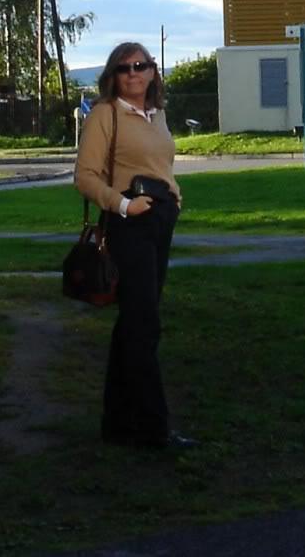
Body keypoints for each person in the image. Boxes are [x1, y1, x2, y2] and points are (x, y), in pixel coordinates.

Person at [74, 42, 198, 450]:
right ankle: (153, 429)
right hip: (130, 222)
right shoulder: (106, 114)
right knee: (144, 325)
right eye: (124, 67)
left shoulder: (157, 114)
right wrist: (124, 206)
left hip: (160, 219)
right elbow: (85, 176)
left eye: (141, 65)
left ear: (152, 71)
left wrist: (174, 197)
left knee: (133, 323)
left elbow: (161, 165)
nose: (133, 73)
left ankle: (117, 425)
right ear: (113, 75)